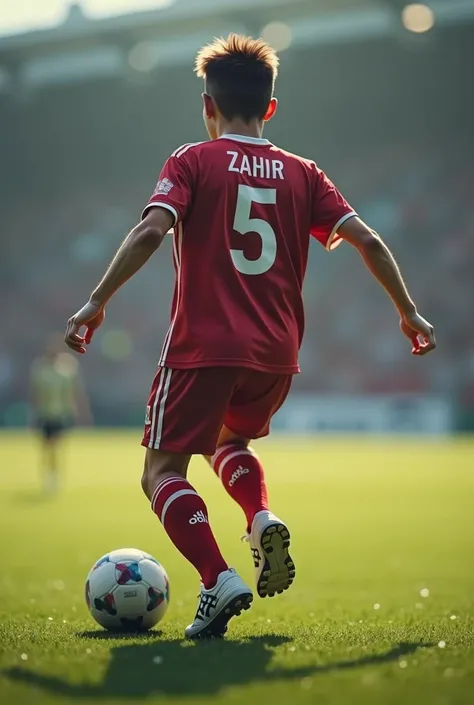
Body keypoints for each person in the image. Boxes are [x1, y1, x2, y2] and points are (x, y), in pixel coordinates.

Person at [64, 34, 436, 639]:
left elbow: (151, 233)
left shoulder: (191, 160)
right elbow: (368, 240)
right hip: (276, 354)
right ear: (271, 108)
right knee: (227, 441)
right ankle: (260, 516)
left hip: (203, 347)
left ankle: (217, 579)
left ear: (207, 106)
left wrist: (96, 301)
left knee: (161, 471)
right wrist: (409, 312)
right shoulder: (304, 173)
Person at [31, 334, 91, 494]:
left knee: (56, 445)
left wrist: (80, 411)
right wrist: (34, 413)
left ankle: (54, 476)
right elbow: (36, 393)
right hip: (45, 414)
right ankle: (49, 475)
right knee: (47, 447)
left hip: (61, 414)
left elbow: (75, 391)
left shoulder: (67, 367)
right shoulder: (40, 368)